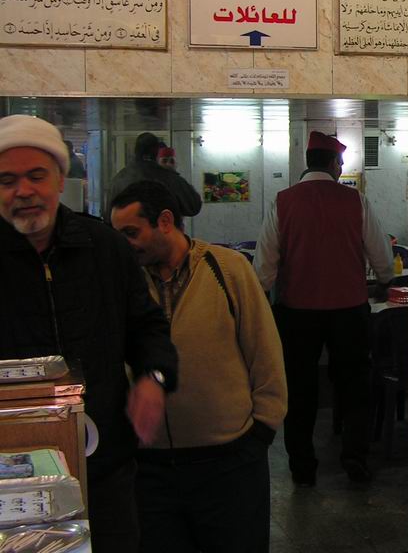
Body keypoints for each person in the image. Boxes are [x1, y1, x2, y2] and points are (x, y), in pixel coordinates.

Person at [0, 115, 178, 553]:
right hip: (11, 473)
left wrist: (153, 379)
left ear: (61, 180)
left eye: (36, 176)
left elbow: (148, 328)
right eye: (7, 180)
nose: (23, 191)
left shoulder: (105, 247)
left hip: (104, 466)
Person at [110, 181, 286, 553]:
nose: (124, 245)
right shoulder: (124, 283)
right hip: (151, 470)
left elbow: (266, 354)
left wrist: (260, 433)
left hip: (230, 463)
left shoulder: (228, 270)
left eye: (131, 233)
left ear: (165, 221)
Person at [254, 131, 393, 486]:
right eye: (340, 163)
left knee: (300, 389)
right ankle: (355, 459)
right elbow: (382, 256)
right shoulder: (356, 201)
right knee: (354, 385)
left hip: (296, 313)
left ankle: (302, 466)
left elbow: (263, 269)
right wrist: (384, 279)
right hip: (349, 311)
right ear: (333, 163)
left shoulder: (282, 202)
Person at [106, 132, 201, 222]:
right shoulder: (170, 178)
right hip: (163, 231)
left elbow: (109, 216)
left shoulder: (118, 180)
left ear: (136, 151)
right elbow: (193, 206)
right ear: (156, 152)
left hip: (127, 232)